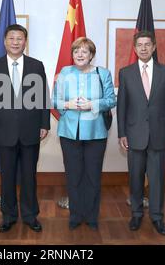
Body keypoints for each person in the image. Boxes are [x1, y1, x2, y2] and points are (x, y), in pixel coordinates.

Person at [0, 24, 50, 233]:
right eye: (11, 38)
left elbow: (43, 96)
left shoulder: (36, 65)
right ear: (5, 41)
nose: (15, 42)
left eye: (19, 38)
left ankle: (31, 216)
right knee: (7, 176)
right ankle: (9, 216)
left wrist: (44, 123)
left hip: (31, 129)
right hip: (3, 130)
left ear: (25, 41)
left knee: (29, 175)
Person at [117, 30, 165, 236]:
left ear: (154, 47)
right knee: (135, 178)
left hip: (160, 135)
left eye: (147, 44)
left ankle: (157, 217)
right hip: (134, 135)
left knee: (157, 179)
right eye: (139, 45)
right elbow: (122, 107)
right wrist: (122, 133)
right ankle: (136, 214)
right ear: (135, 49)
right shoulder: (125, 73)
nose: (143, 48)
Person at [52, 37, 116, 230]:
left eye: (84, 51)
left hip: (96, 133)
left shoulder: (102, 73)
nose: (79, 54)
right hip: (69, 132)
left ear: (91, 55)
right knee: (73, 175)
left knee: (93, 176)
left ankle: (91, 216)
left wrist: (92, 104)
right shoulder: (65, 72)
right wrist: (68, 104)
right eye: (76, 51)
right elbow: (54, 100)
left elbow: (111, 100)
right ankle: (75, 216)